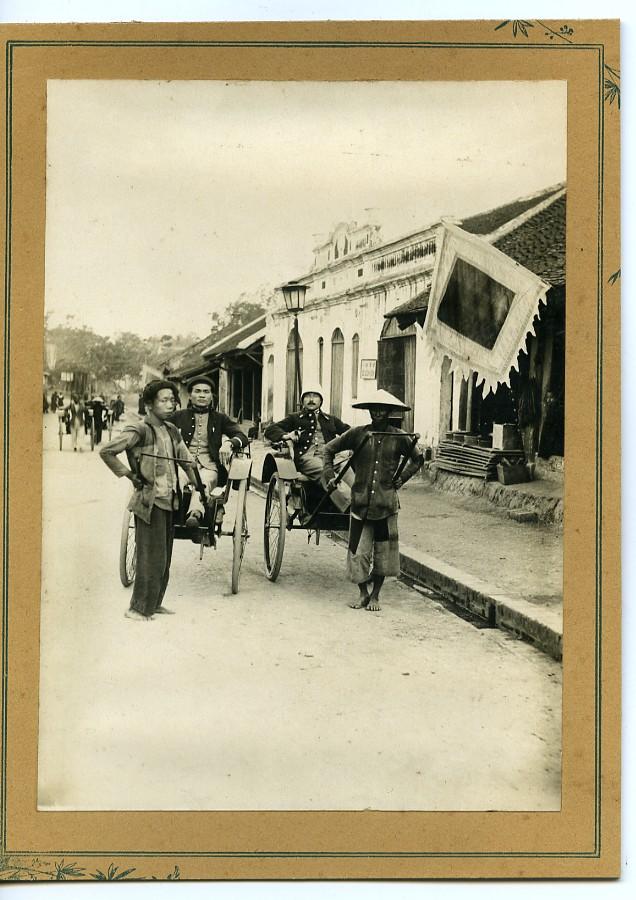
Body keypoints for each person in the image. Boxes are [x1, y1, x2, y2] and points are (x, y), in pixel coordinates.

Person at [99, 380, 197, 621]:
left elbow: (185, 459)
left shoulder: (172, 430)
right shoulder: (139, 430)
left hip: (169, 500)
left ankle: (154, 604)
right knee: (149, 558)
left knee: (163, 558)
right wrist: (130, 475)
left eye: (172, 400)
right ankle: (137, 608)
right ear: (150, 404)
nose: (170, 404)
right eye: (163, 400)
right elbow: (106, 451)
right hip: (149, 502)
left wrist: (197, 484)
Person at [323, 389, 424, 611]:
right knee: (358, 553)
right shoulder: (357, 434)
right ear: (369, 411)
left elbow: (418, 459)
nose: (378, 412)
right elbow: (328, 449)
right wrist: (329, 477)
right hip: (360, 505)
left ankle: (376, 596)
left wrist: (401, 479)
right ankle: (362, 593)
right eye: (374, 409)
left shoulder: (399, 436)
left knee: (383, 555)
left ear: (389, 412)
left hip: (386, 506)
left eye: (382, 409)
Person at [167, 376, 248, 528]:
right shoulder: (178, 416)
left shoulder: (220, 418)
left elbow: (241, 436)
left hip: (209, 467)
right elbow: (159, 430)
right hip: (182, 465)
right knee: (175, 477)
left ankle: (195, 514)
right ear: (190, 395)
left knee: (204, 483)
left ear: (212, 396)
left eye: (206, 392)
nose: (202, 395)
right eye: (197, 391)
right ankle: (174, 506)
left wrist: (229, 443)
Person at [264, 385, 353, 512]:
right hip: (308, 458)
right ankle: (351, 504)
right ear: (302, 400)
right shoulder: (294, 418)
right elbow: (270, 430)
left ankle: (363, 501)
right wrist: (286, 435)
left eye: (315, 396)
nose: (311, 399)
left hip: (333, 457)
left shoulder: (330, 419)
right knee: (324, 470)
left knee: (346, 467)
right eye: (308, 396)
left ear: (321, 401)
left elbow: (350, 432)